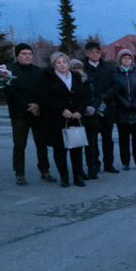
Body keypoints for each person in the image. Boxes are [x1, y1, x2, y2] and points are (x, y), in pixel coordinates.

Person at [5, 43, 53, 185]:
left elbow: (45, 91)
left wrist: (38, 105)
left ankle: (45, 171)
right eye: (24, 54)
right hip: (19, 114)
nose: (27, 56)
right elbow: (10, 93)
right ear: (17, 56)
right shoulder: (10, 71)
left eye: (30, 54)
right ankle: (19, 173)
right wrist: (28, 106)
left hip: (38, 113)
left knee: (41, 144)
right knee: (20, 145)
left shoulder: (39, 71)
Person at [41, 52, 87, 187]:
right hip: (57, 118)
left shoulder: (76, 77)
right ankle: (64, 176)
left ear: (68, 64)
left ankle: (78, 176)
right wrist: (61, 109)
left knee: (76, 149)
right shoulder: (48, 78)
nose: (62, 64)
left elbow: (84, 96)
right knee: (60, 149)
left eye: (64, 62)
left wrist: (80, 111)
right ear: (54, 65)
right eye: (58, 62)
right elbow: (46, 98)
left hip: (75, 118)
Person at [82, 41, 118, 175]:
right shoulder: (83, 68)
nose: (95, 54)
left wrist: (104, 96)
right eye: (92, 52)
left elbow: (115, 85)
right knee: (91, 140)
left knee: (107, 138)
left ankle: (109, 164)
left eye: (97, 52)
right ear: (87, 53)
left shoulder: (108, 67)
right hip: (90, 108)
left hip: (107, 107)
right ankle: (93, 166)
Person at [111, 49, 136, 170]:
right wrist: (124, 102)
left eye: (129, 58)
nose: (127, 60)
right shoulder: (115, 74)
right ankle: (125, 162)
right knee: (123, 140)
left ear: (132, 60)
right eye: (124, 58)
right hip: (122, 111)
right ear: (120, 60)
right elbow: (115, 91)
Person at [70, 59, 98, 179]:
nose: (77, 71)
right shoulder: (70, 83)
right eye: (74, 68)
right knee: (78, 145)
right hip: (78, 117)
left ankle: (92, 168)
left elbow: (96, 95)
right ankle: (80, 170)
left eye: (79, 68)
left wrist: (93, 106)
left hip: (91, 117)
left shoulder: (89, 81)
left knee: (91, 145)